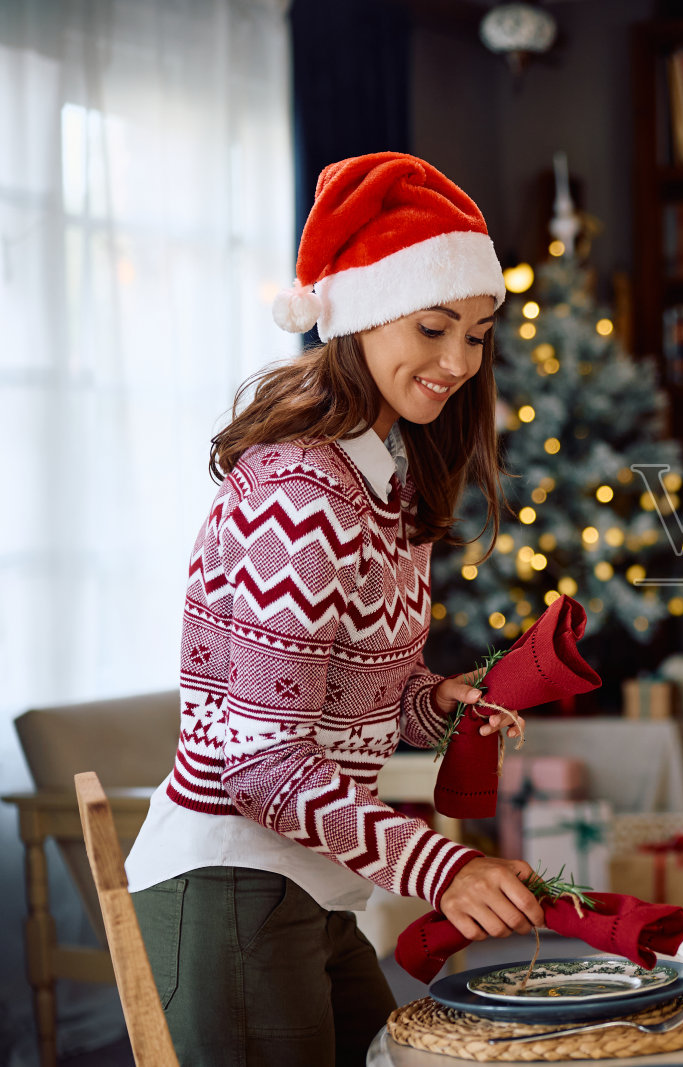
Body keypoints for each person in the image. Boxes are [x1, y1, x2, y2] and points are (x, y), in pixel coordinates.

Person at [125, 152, 543, 1065]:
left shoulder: (384, 479)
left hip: (309, 885)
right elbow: (262, 760)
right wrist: (447, 867)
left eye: (476, 334)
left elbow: (346, 697)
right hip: (233, 875)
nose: (458, 362)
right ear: (356, 317)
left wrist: (436, 704)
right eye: (433, 327)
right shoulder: (303, 490)